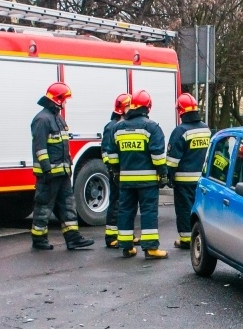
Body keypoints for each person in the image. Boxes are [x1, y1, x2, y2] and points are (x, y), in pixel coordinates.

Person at [30, 82, 94, 250]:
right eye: (65, 99)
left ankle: (73, 238)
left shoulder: (57, 118)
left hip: (63, 172)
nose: (66, 103)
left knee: (68, 205)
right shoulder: (42, 119)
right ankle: (39, 239)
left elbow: (63, 145)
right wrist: (47, 169)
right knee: (44, 206)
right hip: (49, 174)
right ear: (57, 100)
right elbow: (40, 147)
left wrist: (69, 165)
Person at [112, 89, 169, 259]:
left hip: (126, 181)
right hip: (147, 181)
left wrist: (115, 172)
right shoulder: (152, 127)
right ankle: (151, 248)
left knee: (126, 211)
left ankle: (126, 247)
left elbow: (112, 155)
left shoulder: (118, 128)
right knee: (149, 212)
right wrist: (163, 174)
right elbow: (158, 156)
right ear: (148, 107)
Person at [166, 93, 211, 249]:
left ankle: (186, 239)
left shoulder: (180, 131)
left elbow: (172, 160)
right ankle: (200, 237)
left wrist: (168, 176)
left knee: (185, 209)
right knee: (201, 209)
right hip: (203, 180)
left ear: (181, 111)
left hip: (184, 181)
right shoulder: (206, 129)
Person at [101, 93, 139, 248]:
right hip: (116, 172)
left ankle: (126, 234)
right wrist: (112, 168)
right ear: (124, 108)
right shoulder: (112, 126)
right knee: (117, 202)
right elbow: (105, 151)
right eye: (130, 106)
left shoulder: (121, 124)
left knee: (124, 204)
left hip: (123, 171)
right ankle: (111, 237)